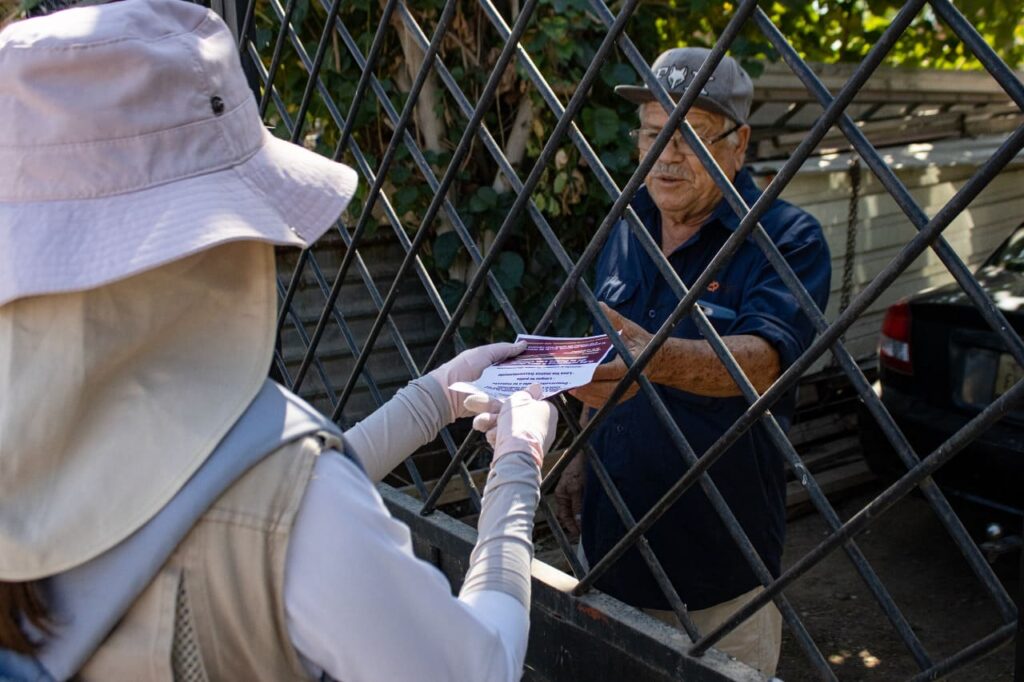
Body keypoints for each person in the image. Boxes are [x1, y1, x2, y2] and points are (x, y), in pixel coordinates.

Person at [0, 1, 557, 680]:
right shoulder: (301, 509)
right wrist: (520, 462)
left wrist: (432, 399)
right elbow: (479, 669)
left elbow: (219, 494)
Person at [557, 47, 831, 676]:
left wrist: (653, 360)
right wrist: (579, 455)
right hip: (610, 558)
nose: (668, 154)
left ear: (739, 145)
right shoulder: (628, 227)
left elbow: (764, 362)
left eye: (691, 137)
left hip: (719, 582)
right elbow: (610, 347)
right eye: (655, 133)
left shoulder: (785, 238)